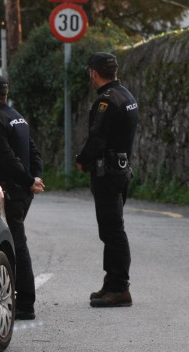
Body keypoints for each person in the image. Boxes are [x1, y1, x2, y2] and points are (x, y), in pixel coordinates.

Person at [0, 73, 45, 320]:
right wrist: (35, 178)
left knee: (14, 246)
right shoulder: (17, 118)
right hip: (22, 191)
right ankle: (19, 298)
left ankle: (24, 303)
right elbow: (33, 151)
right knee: (14, 244)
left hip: (9, 192)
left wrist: (27, 180)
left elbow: (5, 157)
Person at [76, 52, 138, 308]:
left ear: (93, 72)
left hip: (107, 172)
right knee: (111, 229)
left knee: (112, 231)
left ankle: (119, 288)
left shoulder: (106, 101)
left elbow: (97, 138)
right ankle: (111, 282)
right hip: (121, 169)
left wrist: (82, 159)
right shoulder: (127, 95)